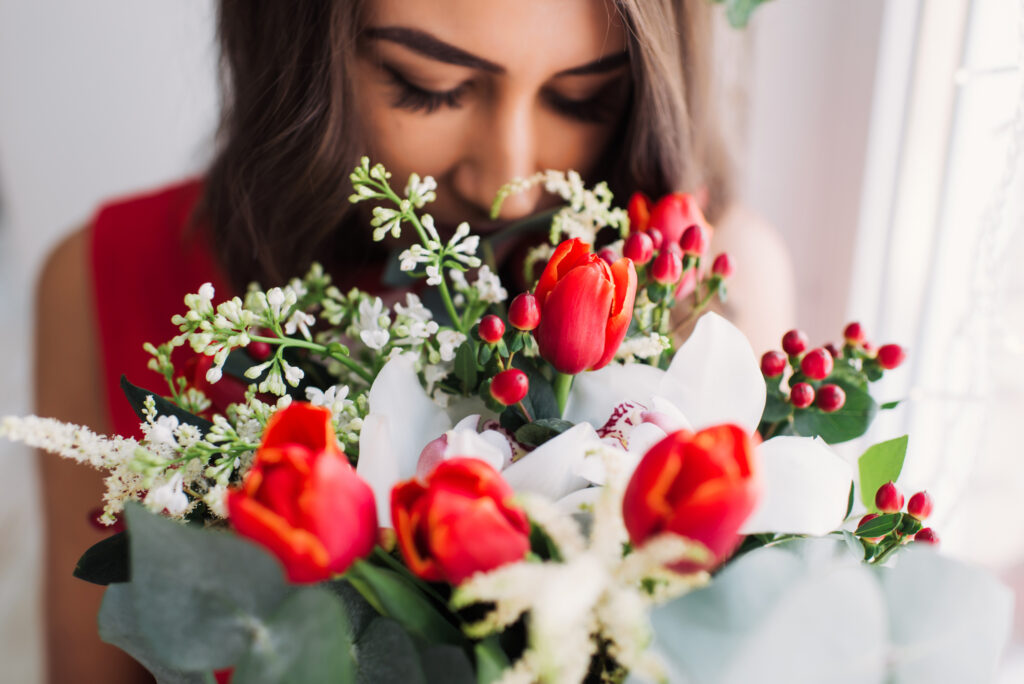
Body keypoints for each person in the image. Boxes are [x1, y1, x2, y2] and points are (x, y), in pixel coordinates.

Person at [35, 1, 794, 681]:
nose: (513, 177)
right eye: (428, 86)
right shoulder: (105, 275)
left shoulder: (702, 287)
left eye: (583, 98)